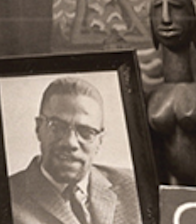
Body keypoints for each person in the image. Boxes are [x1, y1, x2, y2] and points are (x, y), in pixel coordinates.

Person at [9, 77, 139, 224]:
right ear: (39, 128)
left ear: (99, 140)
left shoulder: (134, 188)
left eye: (86, 132)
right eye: (57, 127)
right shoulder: (6, 198)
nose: (70, 142)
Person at [146, 0, 196, 187]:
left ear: (192, 20)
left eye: (176, 7)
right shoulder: (149, 98)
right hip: (170, 183)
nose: (166, 18)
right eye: (158, 8)